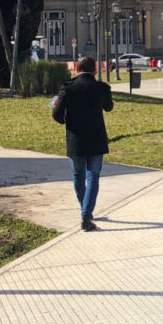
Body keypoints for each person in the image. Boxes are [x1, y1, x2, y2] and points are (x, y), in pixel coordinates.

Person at [51, 55, 113, 232]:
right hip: (96, 138)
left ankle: (85, 210)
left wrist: (66, 120)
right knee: (93, 176)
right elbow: (109, 107)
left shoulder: (68, 88)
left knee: (78, 176)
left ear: (77, 69)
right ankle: (86, 214)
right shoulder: (101, 88)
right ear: (95, 69)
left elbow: (56, 114)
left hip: (75, 139)